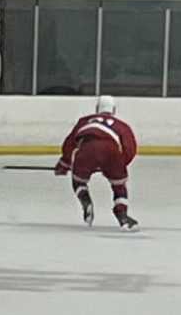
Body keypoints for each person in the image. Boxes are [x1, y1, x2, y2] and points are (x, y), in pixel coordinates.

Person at [55, 95, 139, 231]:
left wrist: (64, 164)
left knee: (78, 181)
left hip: (87, 147)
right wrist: (118, 165)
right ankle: (122, 215)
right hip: (111, 151)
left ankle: (85, 200)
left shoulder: (84, 121)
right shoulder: (122, 125)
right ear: (113, 110)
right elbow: (130, 149)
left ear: (97, 109)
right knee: (119, 186)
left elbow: (70, 143)